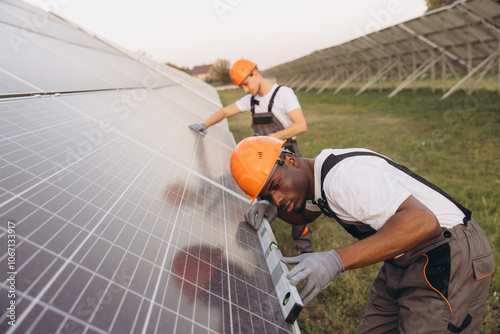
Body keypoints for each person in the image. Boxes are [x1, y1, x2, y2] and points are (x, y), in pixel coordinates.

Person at [230, 136, 494, 334]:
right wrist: (275, 208)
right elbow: (306, 212)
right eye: (267, 196)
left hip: (448, 254)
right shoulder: (317, 176)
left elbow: (423, 222)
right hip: (403, 255)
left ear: (290, 160)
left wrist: (335, 260)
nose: (277, 198)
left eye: (275, 186)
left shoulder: (341, 178)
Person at [189, 59, 313, 253]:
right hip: (261, 160)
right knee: (266, 198)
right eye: (242, 87)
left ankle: (304, 248)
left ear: (255, 73)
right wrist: (205, 124)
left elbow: (300, 125)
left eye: (246, 84)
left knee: (297, 201)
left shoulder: (283, 94)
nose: (245, 90)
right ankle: (260, 244)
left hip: (285, 156)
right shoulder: (251, 100)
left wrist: (269, 139)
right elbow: (225, 111)